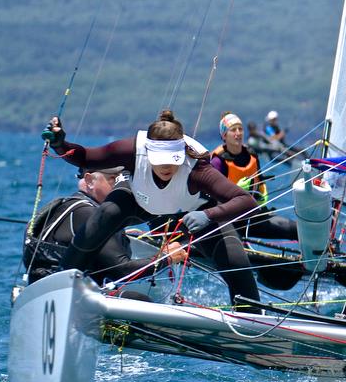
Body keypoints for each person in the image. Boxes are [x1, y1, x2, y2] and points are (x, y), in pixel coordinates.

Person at [45, 110, 261, 307]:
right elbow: (86, 157)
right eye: (160, 160)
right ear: (147, 153)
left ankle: (251, 319)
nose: (167, 167)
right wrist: (60, 145)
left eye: (172, 160)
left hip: (191, 212)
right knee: (103, 216)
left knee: (237, 264)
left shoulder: (198, 168)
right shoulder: (131, 150)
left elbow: (245, 200)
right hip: (139, 201)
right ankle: (59, 288)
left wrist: (208, 214)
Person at [23, 167, 184, 284]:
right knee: (139, 299)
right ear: (89, 181)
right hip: (65, 296)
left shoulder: (68, 206)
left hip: (43, 288)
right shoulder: (89, 214)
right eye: (114, 179)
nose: (121, 185)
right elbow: (122, 272)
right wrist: (167, 258)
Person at [210, 112, 298, 240]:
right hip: (229, 221)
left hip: (252, 216)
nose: (238, 133)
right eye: (233, 130)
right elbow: (211, 198)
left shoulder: (251, 155)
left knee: (295, 229)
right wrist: (233, 192)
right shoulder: (218, 162)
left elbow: (260, 182)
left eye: (240, 129)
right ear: (224, 135)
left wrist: (262, 197)